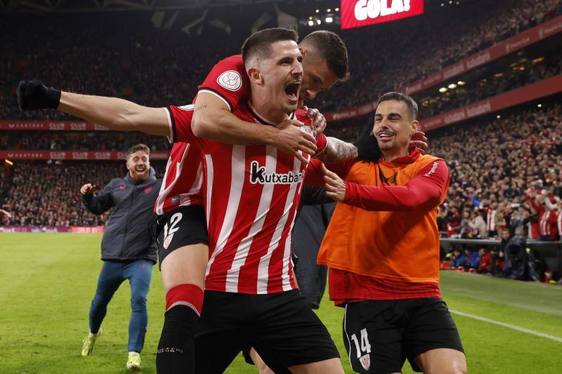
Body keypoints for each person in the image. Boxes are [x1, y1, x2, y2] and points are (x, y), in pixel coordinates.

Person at [17, 28, 358, 374]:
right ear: (258, 71)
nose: (310, 90)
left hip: (259, 267)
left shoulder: (298, 125)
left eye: (318, 86)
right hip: (185, 205)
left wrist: (327, 142)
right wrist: (54, 97)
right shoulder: (220, 100)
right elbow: (135, 116)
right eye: (303, 72)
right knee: (184, 304)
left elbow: (341, 156)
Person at [307, 92, 467, 373]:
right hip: (367, 296)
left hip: (422, 293)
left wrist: (351, 193)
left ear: (414, 127)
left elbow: (413, 197)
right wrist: (316, 136)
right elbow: (327, 152)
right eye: (378, 118)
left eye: (394, 118)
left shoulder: (431, 166)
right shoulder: (353, 164)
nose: (383, 124)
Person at [79, 143, 162, 371]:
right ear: (128, 164)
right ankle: (93, 333)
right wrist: (87, 196)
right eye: (135, 158)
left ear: (149, 162)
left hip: (141, 258)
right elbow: (97, 207)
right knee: (99, 302)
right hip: (113, 257)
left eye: (144, 158)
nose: (140, 162)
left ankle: (133, 353)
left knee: (138, 300)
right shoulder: (116, 185)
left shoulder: (159, 187)